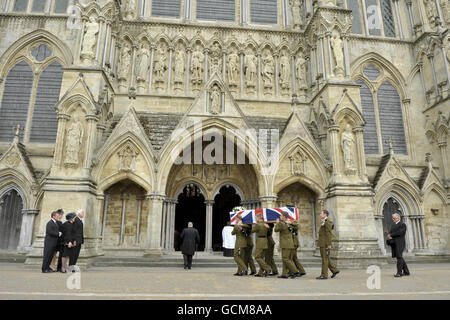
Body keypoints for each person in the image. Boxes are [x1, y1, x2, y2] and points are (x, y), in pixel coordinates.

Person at [316, 210, 339, 280]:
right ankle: (335, 270)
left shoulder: (328, 222)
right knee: (326, 258)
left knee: (324, 259)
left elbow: (329, 234)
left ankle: (324, 275)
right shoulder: (324, 222)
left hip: (325, 243)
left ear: (325, 214)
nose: (320, 214)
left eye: (321, 213)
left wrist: (329, 244)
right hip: (322, 242)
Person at [275, 212, 299, 279]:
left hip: (286, 244)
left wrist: (277, 223)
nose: (280, 217)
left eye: (281, 216)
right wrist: (291, 222)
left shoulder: (282, 224)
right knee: (287, 259)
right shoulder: (289, 223)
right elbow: (296, 226)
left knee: (285, 259)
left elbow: (275, 230)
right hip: (290, 243)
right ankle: (284, 274)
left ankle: (295, 271)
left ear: (284, 217)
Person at [387, 213, 410, 277]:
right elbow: (391, 232)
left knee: (399, 257)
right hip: (394, 243)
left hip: (400, 243)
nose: (393, 219)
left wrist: (391, 235)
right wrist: (389, 235)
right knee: (399, 257)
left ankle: (399, 273)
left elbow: (400, 232)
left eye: (394, 218)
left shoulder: (402, 224)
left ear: (398, 218)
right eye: (393, 218)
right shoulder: (393, 225)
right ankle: (406, 271)